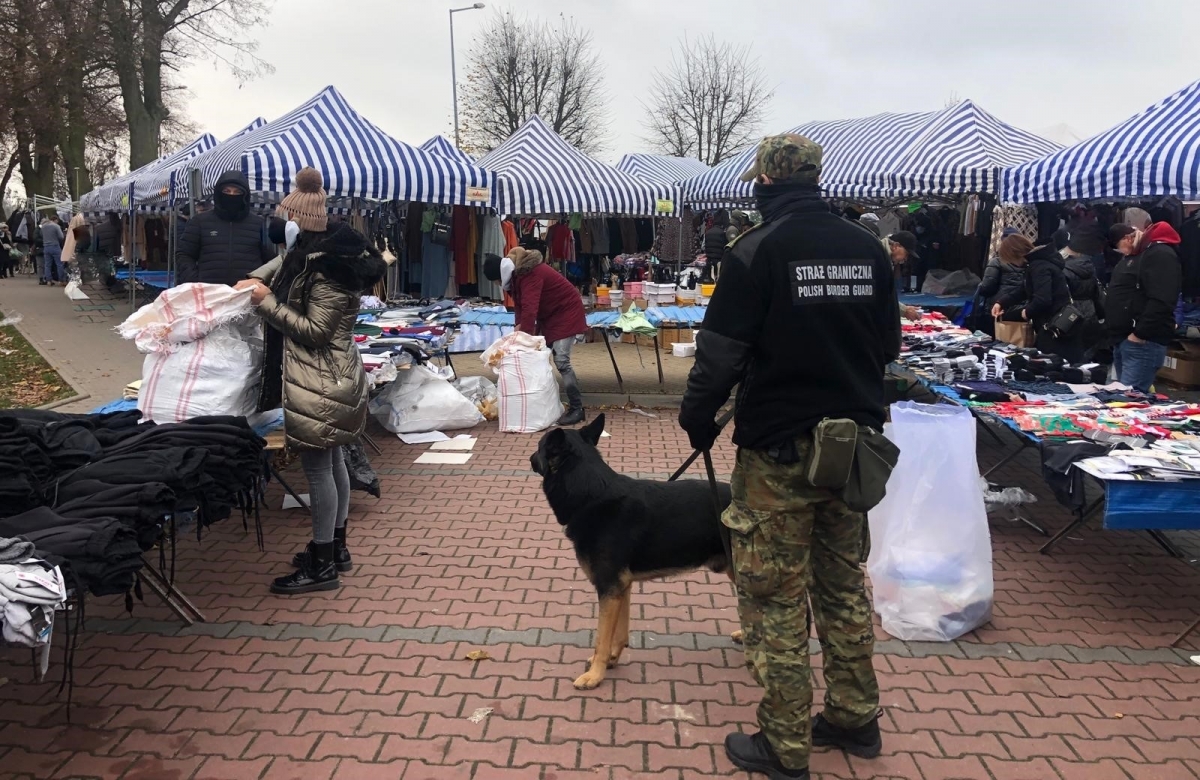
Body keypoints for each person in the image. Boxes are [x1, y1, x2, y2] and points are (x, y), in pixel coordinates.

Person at [679, 134, 897, 780]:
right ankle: (857, 718)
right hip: (851, 451)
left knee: (773, 597)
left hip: (778, 457)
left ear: (765, 184)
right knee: (840, 585)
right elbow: (887, 347)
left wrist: (696, 421)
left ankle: (783, 745)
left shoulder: (757, 252)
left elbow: (719, 356)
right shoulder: (870, 251)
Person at [238, 170, 385, 595]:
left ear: (300, 219)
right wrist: (256, 279)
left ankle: (323, 565)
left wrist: (267, 304)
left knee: (320, 468)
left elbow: (316, 331)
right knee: (334, 462)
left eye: (287, 217)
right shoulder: (309, 252)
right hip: (324, 376)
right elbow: (278, 267)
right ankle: (334, 548)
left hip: (321, 379)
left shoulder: (330, 271)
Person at [504, 246, 588, 426]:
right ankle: (549, 403)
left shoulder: (532, 274)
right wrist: (519, 329)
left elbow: (530, 309)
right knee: (543, 358)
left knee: (562, 361)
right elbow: (521, 306)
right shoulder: (520, 275)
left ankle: (577, 409)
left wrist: (523, 338)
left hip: (567, 313)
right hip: (552, 316)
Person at [1106, 221, 1182, 392]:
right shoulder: (1140, 255)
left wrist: (1140, 333)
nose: (1120, 251)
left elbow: (1162, 299)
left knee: (1129, 400)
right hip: (1126, 339)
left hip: (1142, 342)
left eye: (1119, 246)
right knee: (1120, 399)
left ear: (1127, 238)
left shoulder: (1160, 254)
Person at [176, 169, 276, 286]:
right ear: (219, 193)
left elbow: (271, 262)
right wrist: (194, 280)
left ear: (245, 195)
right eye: (226, 191)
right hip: (210, 294)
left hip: (247, 295)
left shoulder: (259, 224)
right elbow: (184, 254)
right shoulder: (200, 222)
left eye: (237, 192)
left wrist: (259, 282)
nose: (231, 195)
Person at [994, 239, 1085, 363]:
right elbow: (1025, 289)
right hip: (1059, 324)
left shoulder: (1038, 267)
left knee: (1054, 365)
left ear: (1014, 254)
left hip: (1054, 328)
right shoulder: (1040, 263)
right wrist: (1001, 302)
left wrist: (1026, 312)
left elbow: (1043, 299)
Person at [975, 233, 1030, 334]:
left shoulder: (996, 262)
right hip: (1023, 311)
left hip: (998, 310)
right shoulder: (1030, 265)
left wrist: (980, 287)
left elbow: (987, 287)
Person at [703, 210, 732, 281]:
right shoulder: (723, 233)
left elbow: (705, 247)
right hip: (719, 261)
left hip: (709, 261)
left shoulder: (708, 233)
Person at [39, 214, 65, 286]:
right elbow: (61, 237)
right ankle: (61, 280)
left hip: (46, 247)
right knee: (59, 264)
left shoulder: (43, 227)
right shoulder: (56, 226)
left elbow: (41, 235)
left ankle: (48, 281)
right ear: (55, 220)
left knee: (47, 265)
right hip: (55, 246)